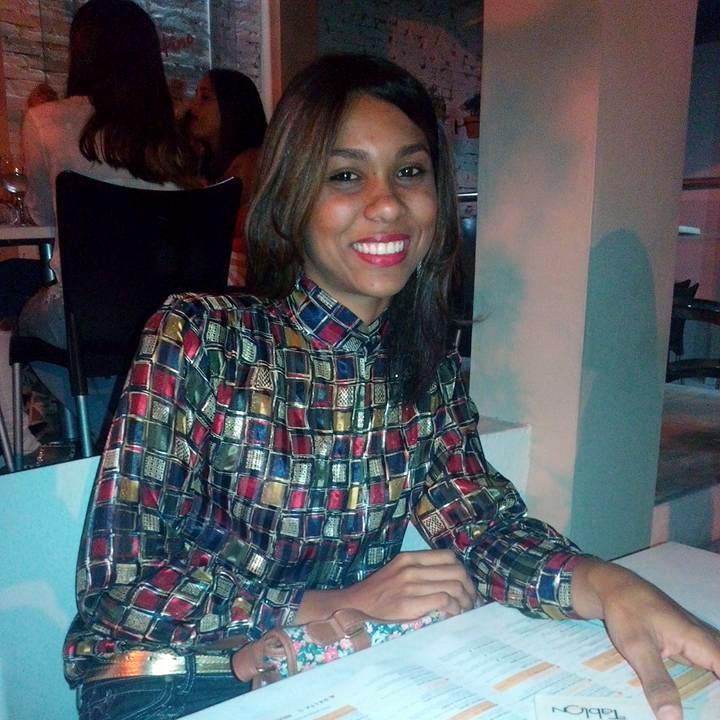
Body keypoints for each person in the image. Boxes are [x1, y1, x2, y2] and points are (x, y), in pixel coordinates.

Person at [65, 54, 720, 720]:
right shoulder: (201, 336)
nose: (387, 204)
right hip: (168, 679)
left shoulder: (423, 365)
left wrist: (610, 586)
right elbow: (119, 586)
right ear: (291, 198)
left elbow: (482, 529)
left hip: (331, 669)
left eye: (409, 172)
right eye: (346, 175)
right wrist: (332, 604)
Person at [1, 0, 198, 447]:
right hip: (174, 317)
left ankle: (93, 434)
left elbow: (42, 216)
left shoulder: (45, 120)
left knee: (18, 304)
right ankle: (125, 425)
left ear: (81, 54)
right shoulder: (172, 136)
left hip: (87, 315)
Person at [185, 69, 267, 287]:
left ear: (232, 107)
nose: (192, 107)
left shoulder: (250, 163)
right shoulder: (207, 162)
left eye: (205, 97)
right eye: (195, 95)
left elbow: (210, 223)